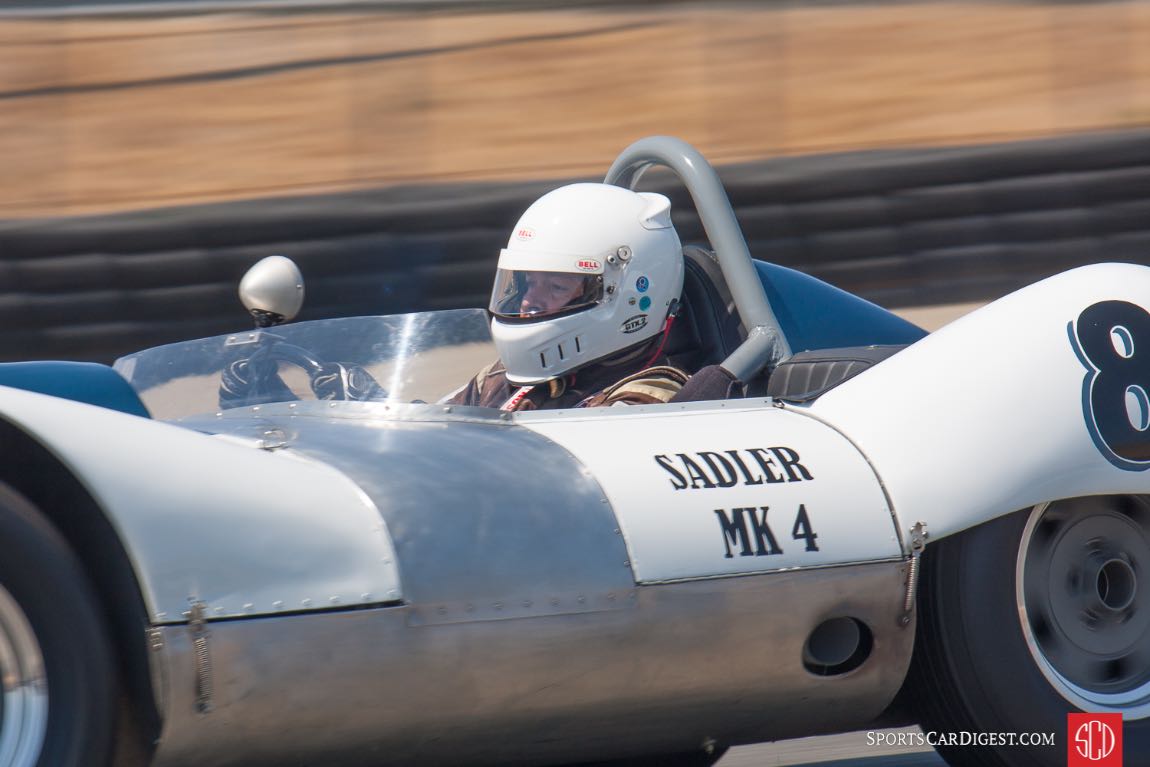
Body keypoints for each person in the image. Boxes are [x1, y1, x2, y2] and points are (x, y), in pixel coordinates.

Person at [448, 183, 743, 411]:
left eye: (556, 287)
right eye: (528, 283)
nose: (529, 302)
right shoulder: (498, 378)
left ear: (628, 296)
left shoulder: (645, 399)